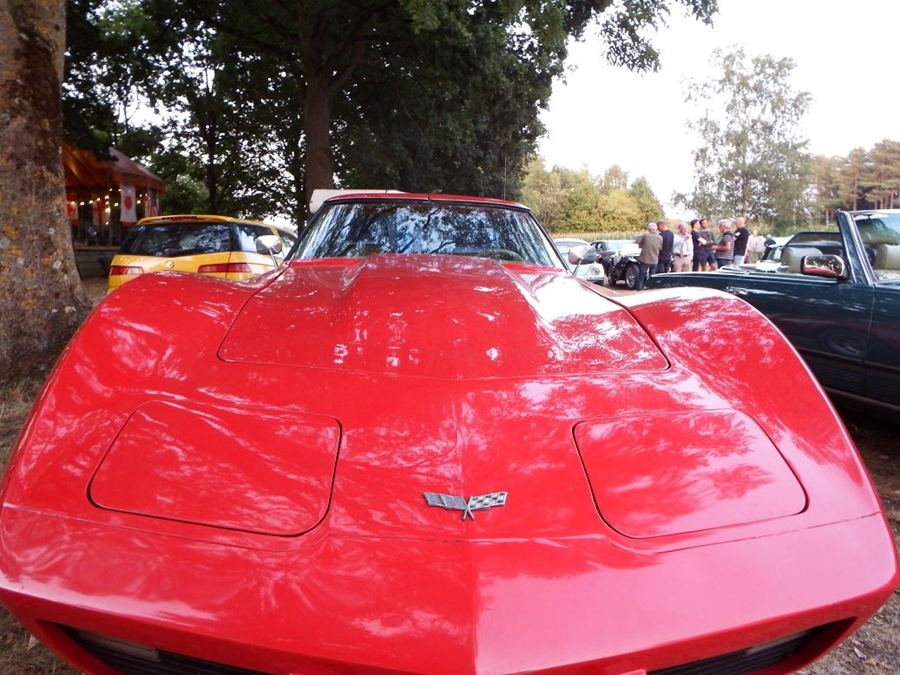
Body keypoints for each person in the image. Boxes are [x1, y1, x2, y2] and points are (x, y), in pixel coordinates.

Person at [635, 222, 662, 290]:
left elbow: (640, 245)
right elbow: (660, 248)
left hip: (645, 258)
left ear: (648, 229)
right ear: (656, 229)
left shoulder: (645, 236)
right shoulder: (660, 237)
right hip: (654, 259)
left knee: (642, 275)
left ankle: (639, 288)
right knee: (652, 276)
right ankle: (650, 288)